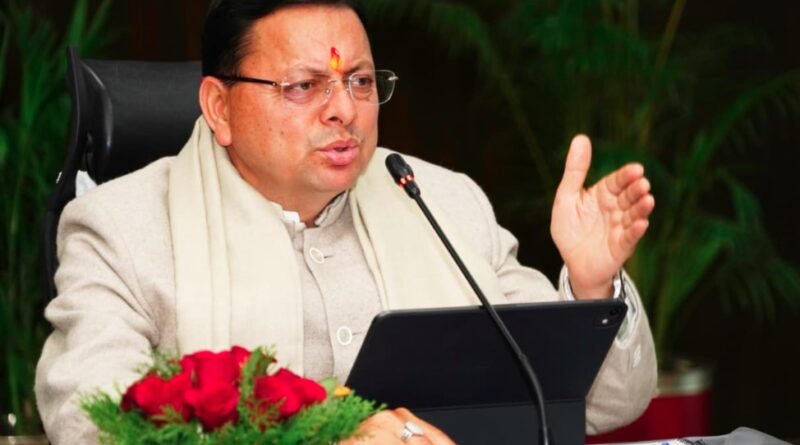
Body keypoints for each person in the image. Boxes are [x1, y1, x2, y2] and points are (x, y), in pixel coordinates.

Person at [35, 0, 658, 443]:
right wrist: (321, 435)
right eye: (304, 86)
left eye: (360, 81)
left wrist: (591, 287)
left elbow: (593, 407)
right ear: (219, 107)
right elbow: (91, 421)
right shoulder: (122, 230)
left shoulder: (441, 202)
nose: (345, 110)